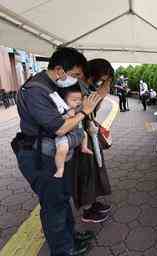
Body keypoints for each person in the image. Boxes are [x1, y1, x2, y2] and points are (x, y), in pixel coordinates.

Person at [11, 47, 102, 256]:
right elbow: (59, 127)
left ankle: (70, 239)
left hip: (51, 154)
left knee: (62, 199)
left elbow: (70, 111)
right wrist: (84, 113)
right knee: (53, 207)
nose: (78, 80)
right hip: (38, 158)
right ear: (60, 70)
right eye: (76, 75)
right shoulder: (35, 90)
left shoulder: (52, 85)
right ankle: (63, 250)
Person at [66, 58, 114, 223]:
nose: (103, 81)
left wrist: (101, 93)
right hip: (80, 137)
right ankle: (87, 210)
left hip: (89, 132)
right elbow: (78, 112)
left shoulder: (89, 86)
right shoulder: (75, 88)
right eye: (103, 77)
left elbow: (95, 108)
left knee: (93, 170)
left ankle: (92, 203)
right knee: (85, 172)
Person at [54, 83, 93, 178]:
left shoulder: (77, 107)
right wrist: (68, 114)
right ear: (64, 101)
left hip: (75, 132)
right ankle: (60, 168)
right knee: (62, 149)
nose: (78, 102)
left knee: (84, 134)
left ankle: (84, 147)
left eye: (79, 99)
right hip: (63, 136)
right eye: (74, 100)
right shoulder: (62, 109)